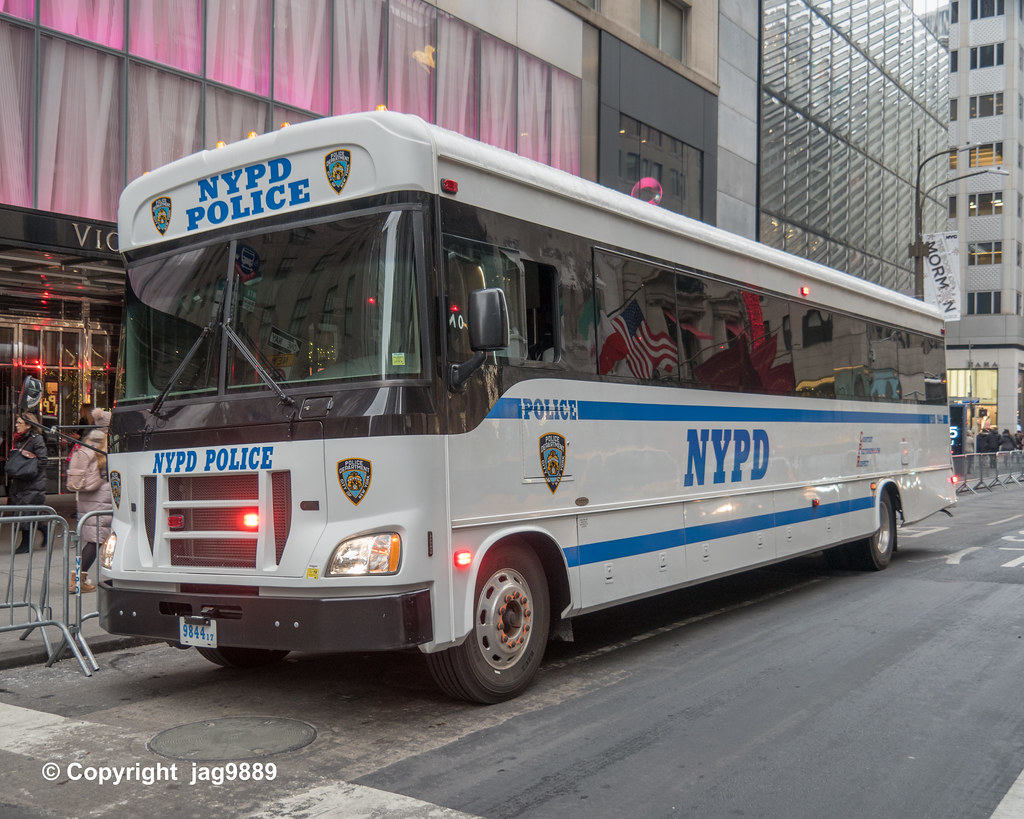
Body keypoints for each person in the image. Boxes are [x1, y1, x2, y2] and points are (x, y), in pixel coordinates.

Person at [65, 408, 111, 593]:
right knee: (96, 541)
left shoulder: (90, 441)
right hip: (101, 497)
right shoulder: (107, 444)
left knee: (92, 540)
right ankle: (77, 580)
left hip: (86, 496)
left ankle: (77, 579)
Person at [7, 412, 48, 554]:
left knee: (26, 512)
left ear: (29, 425)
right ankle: (43, 528)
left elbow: (43, 460)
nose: (16, 425)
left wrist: (31, 474)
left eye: (19, 423)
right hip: (20, 482)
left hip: (32, 482)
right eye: (17, 422)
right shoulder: (19, 439)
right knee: (23, 511)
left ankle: (26, 544)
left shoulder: (36, 439)